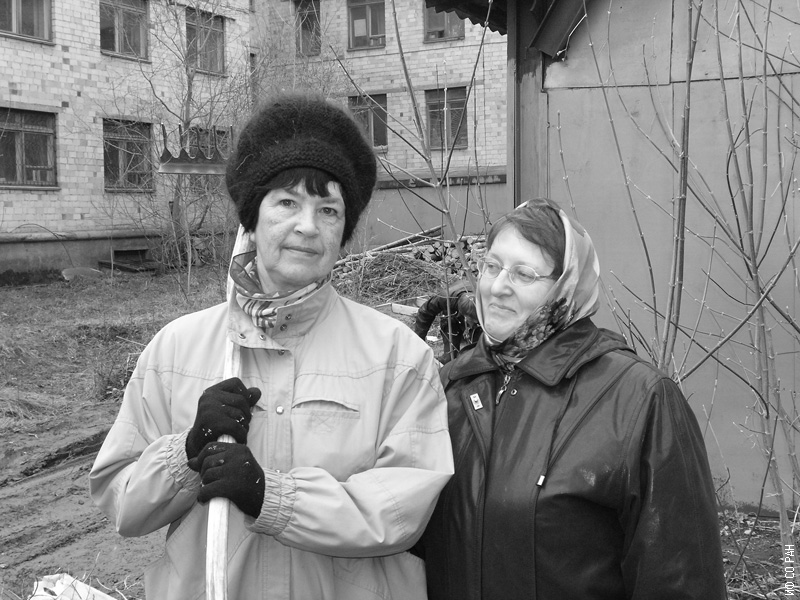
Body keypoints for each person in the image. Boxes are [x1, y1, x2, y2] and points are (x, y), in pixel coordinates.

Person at [89, 94, 454, 600]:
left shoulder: (397, 357)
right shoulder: (177, 349)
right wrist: (184, 454)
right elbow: (122, 504)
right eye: (287, 203)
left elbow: (402, 511)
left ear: (344, 231)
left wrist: (272, 497)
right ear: (252, 218)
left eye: (329, 210)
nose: (308, 226)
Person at [416, 198, 726, 599]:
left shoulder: (637, 399)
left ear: (566, 288)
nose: (497, 287)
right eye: (491, 267)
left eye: (523, 274)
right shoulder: (450, 387)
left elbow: (679, 578)